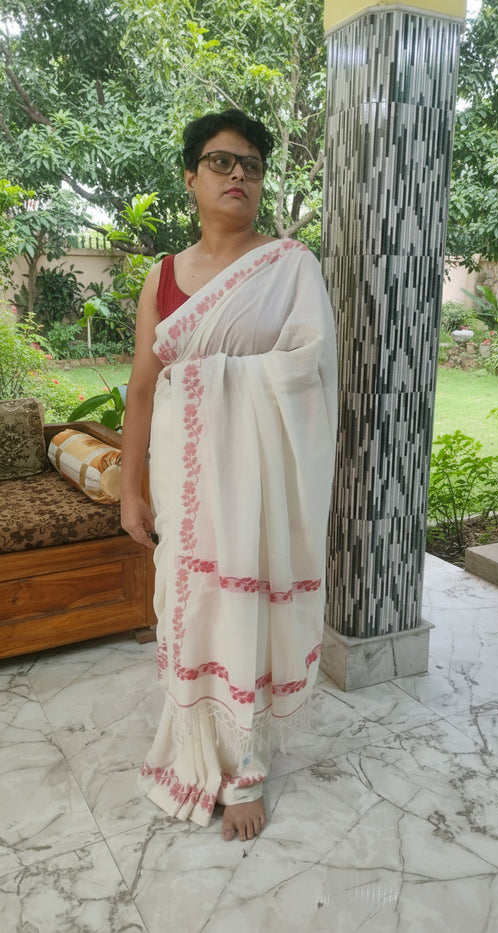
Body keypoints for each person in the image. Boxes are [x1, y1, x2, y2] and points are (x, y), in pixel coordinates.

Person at [120, 108, 337, 842]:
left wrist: (215, 377)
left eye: (250, 164)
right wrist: (128, 486)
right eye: (221, 161)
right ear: (190, 177)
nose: (238, 174)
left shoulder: (287, 267)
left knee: (246, 608)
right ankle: (191, 746)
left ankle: (244, 764)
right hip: (184, 482)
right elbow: (145, 388)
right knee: (191, 608)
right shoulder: (163, 277)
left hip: (254, 492)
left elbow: (308, 369)